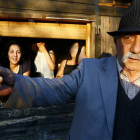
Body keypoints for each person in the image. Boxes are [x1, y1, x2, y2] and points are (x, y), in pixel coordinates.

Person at [0, 0, 140, 139]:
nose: (136, 48)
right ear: (116, 42)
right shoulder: (90, 70)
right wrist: (15, 85)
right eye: (128, 38)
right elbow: (56, 88)